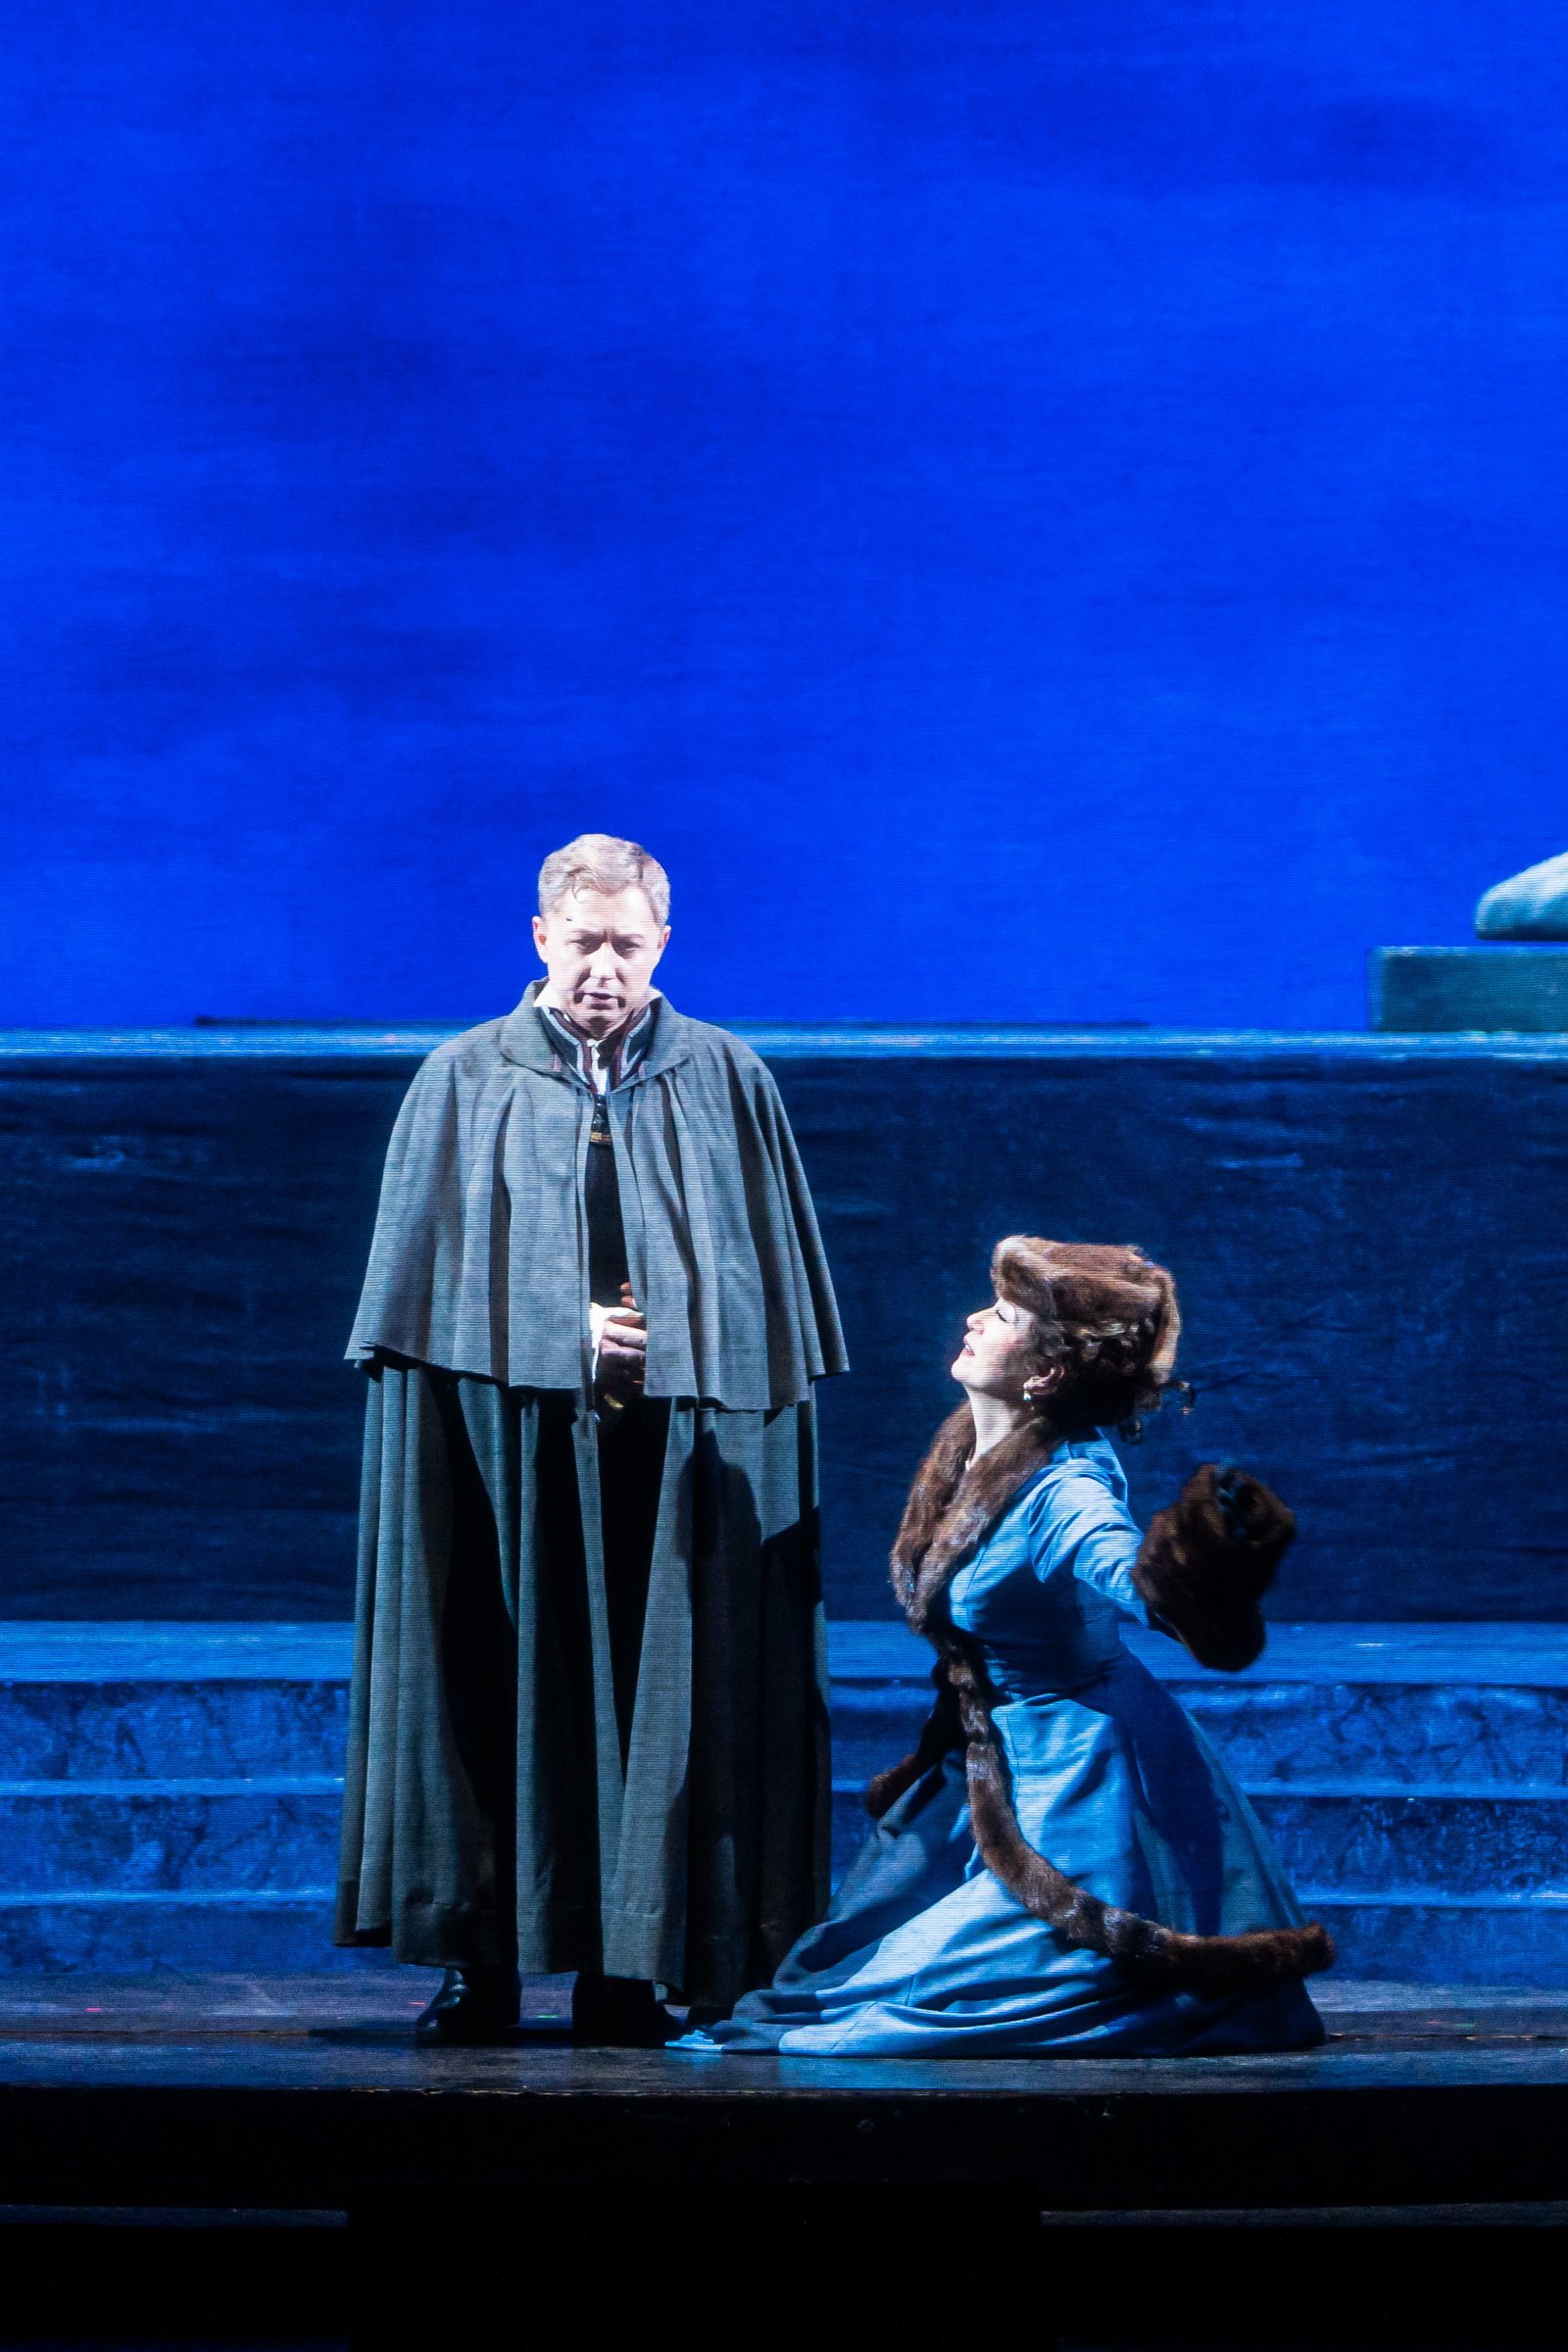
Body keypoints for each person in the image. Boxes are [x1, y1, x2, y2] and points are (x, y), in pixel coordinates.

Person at [334, 834, 847, 2043]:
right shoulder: (465, 1078)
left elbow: (763, 1286)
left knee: (663, 1692)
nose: (603, 972)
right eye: (582, 945)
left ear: (663, 944)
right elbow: (422, 1286)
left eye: (627, 946)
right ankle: (483, 1963)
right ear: (539, 940)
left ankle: (633, 1964)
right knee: (496, 1677)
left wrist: (674, 1337)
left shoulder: (727, 1078)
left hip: (670, 1458)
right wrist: (559, 1333)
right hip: (504, 1452)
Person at [681, 1237, 1330, 2057]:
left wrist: (1199, 1562)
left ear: (1046, 1373)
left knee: (962, 1985)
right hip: (986, 1753)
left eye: (1002, 1317)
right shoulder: (973, 1446)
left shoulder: (1066, 1489)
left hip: (1073, 1765)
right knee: (837, 1966)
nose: (974, 1321)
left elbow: (1130, 1577)